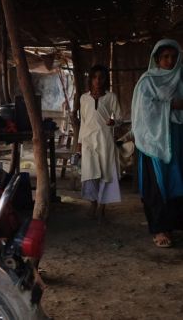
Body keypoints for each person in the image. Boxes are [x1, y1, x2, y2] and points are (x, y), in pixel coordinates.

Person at [132, 39, 183, 248]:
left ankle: (173, 225)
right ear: (157, 59)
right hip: (153, 140)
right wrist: (172, 106)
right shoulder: (148, 81)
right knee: (157, 184)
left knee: (176, 181)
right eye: (165, 57)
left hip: (176, 137)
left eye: (173, 57)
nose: (170, 61)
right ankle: (159, 229)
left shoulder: (181, 78)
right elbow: (144, 110)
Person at [78, 65, 122, 221]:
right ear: (90, 79)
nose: (98, 80)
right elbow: (83, 122)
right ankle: (93, 203)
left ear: (105, 80)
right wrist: (79, 142)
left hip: (105, 141)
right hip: (88, 141)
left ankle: (102, 207)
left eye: (101, 77)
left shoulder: (111, 97)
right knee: (90, 173)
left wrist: (114, 122)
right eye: (95, 77)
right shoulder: (84, 98)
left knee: (105, 173)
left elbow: (119, 118)